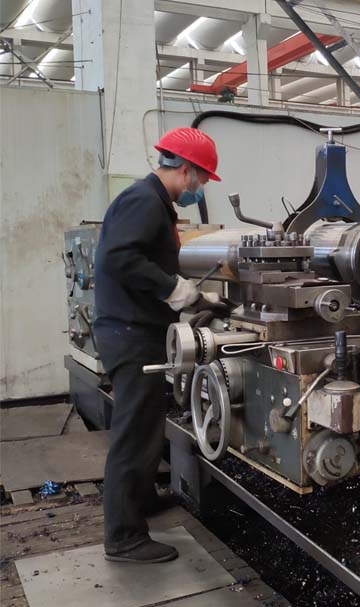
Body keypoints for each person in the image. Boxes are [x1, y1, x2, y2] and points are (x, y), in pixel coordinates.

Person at [93, 127, 222, 563]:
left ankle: (141, 499)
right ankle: (124, 537)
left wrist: (195, 297)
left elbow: (142, 260)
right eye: (201, 179)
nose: (200, 188)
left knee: (147, 424)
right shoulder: (144, 200)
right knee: (134, 433)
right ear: (185, 169)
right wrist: (173, 289)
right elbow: (119, 258)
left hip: (136, 330)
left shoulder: (152, 202)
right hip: (130, 335)